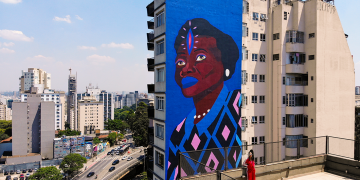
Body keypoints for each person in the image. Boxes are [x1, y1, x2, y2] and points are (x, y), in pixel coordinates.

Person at [168, 18, 242, 180]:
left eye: (200, 57)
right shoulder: (179, 132)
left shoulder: (238, 106)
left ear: (225, 64)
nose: (186, 69)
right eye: (180, 61)